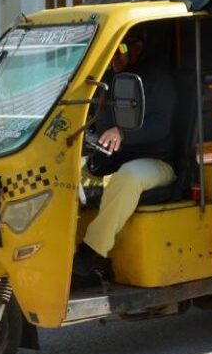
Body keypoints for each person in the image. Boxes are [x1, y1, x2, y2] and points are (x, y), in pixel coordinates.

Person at [72, 32, 177, 284]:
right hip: (116, 159)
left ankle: (92, 252)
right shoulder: (110, 80)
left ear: (138, 46)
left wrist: (122, 133)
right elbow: (95, 120)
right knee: (64, 172)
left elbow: (161, 126)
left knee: (128, 176)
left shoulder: (159, 79)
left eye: (120, 48)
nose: (115, 57)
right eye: (111, 49)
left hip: (159, 161)